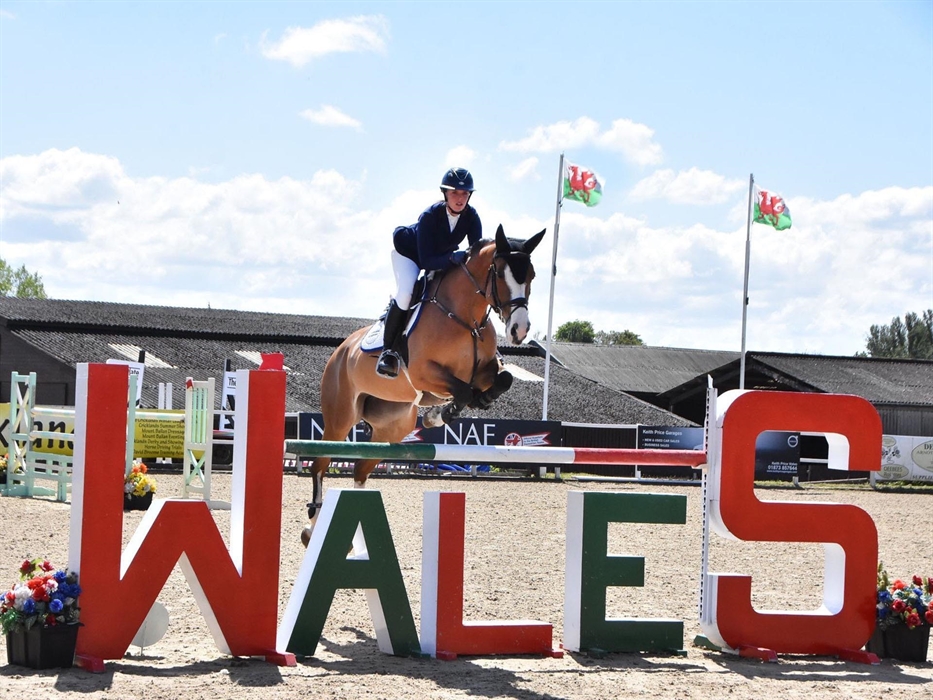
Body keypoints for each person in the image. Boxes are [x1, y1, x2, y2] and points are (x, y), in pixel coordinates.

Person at [376, 167, 483, 378]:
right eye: (454, 192)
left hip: (441, 257)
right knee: (407, 292)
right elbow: (426, 261)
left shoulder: (471, 217)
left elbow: (476, 253)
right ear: (445, 193)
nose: (460, 198)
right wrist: (453, 258)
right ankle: (388, 352)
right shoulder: (429, 216)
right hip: (410, 255)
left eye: (464, 193)